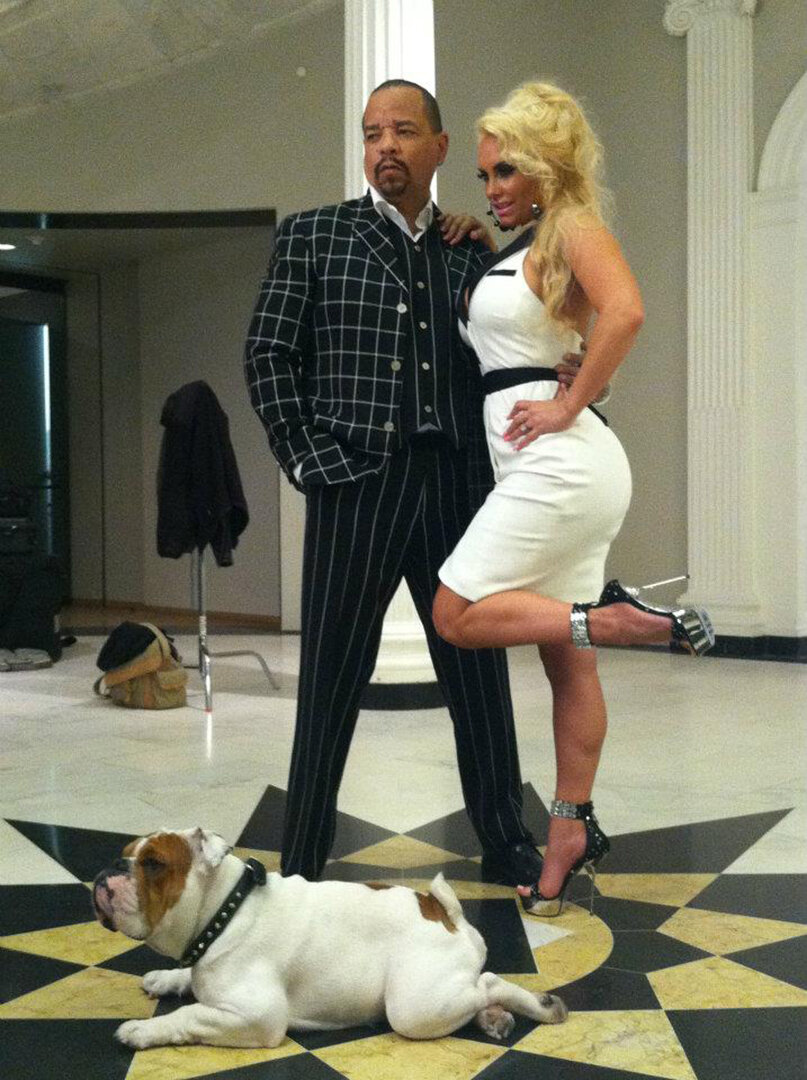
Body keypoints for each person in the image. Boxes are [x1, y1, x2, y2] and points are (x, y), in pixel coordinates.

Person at [245, 79, 576, 887]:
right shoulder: (314, 235)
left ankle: (505, 840)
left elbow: (509, 354)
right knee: (330, 679)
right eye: (371, 133)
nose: (384, 146)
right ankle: (302, 861)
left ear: (438, 147)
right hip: (355, 482)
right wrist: (307, 457)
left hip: (458, 486)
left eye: (401, 131)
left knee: (478, 675)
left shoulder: (470, 251)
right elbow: (267, 354)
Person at [432, 81, 713, 916]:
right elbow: (545, 334)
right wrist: (483, 242)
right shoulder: (531, 243)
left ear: (545, 165)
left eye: (506, 170)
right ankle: (567, 831)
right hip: (542, 462)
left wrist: (568, 403)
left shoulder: (574, 225)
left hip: (560, 462)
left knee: (455, 615)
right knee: (566, 658)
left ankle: (615, 619)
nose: (492, 187)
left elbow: (625, 313)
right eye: (484, 175)